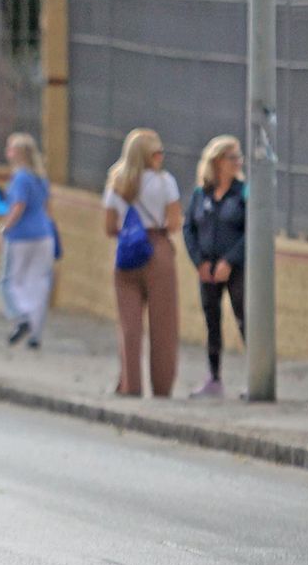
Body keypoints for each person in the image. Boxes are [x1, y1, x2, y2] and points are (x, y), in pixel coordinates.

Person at [104, 127, 182, 397]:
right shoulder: (165, 182)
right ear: (149, 156)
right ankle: (161, 388)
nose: (161, 156)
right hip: (157, 249)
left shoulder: (116, 183)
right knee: (164, 326)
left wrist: (130, 231)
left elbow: (109, 227)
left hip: (127, 253)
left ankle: (131, 386)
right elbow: (174, 222)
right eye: (158, 152)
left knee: (129, 326)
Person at [184, 135, 247, 398]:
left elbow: (251, 231)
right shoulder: (201, 194)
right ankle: (214, 377)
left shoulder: (243, 192)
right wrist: (199, 261)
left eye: (239, 157)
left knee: (244, 318)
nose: (238, 162)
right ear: (218, 161)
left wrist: (229, 261)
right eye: (233, 157)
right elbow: (189, 228)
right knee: (212, 321)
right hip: (207, 268)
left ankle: (254, 376)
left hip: (235, 268)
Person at [0, 133, 56, 349]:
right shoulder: (41, 178)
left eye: (10, 148)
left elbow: (18, 206)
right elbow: (47, 208)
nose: (7, 152)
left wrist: (4, 228)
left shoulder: (20, 177)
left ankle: (21, 318)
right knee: (37, 283)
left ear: (18, 153)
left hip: (20, 236)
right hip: (44, 235)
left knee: (7, 281)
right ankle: (35, 334)